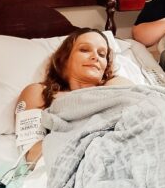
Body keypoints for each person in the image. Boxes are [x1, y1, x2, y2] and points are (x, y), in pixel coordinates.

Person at [15, 28, 133, 162]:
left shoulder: (116, 84)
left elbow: (142, 118)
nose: (95, 57)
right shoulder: (38, 92)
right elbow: (30, 155)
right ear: (64, 60)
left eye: (101, 54)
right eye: (84, 50)